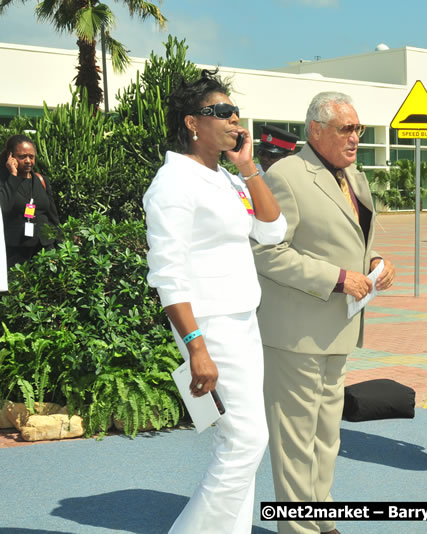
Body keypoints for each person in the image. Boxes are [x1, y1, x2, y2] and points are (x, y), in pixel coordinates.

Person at [143, 69, 287, 534]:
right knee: (246, 440)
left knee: (238, 442)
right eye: (221, 112)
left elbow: (271, 229)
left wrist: (249, 167)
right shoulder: (173, 183)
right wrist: (196, 346)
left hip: (243, 319)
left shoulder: (226, 178)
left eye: (234, 112)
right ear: (192, 123)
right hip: (209, 324)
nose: (234, 120)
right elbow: (167, 274)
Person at [252, 91, 395, 534]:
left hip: (339, 327)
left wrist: (373, 264)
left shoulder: (354, 177)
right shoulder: (286, 177)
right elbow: (266, 253)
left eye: (359, 130)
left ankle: (323, 518)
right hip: (295, 332)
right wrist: (336, 278)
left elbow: (358, 239)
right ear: (316, 130)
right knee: (295, 438)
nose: (355, 138)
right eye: (346, 130)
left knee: (326, 435)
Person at [1, 134, 61, 266]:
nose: (28, 160)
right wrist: (13, 176)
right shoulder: (5, 182)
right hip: (16, 253)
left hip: (45, 249)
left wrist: (60, 244)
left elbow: (52, 215)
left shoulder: (41, 180)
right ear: (10, 157)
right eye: (22, 156)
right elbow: (3, 207)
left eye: (31, 156)